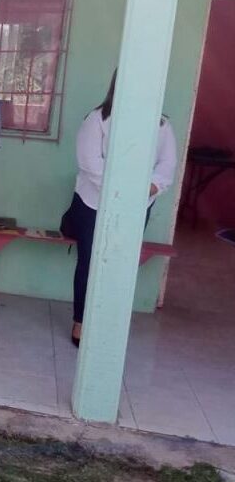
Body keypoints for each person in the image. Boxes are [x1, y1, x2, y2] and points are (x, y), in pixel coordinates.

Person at [60, 70, 177, 346]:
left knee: (119, 264)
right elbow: (90, 164)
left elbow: (167, 166)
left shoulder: (161, 125)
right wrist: (125, 191)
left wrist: (148, 189)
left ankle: (108, 324)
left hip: (137, 207)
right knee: (90, 262)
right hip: (94, 203)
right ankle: (81, 322)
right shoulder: (97, 120)